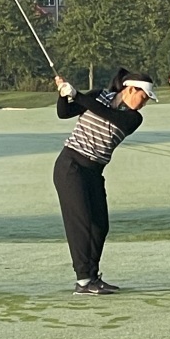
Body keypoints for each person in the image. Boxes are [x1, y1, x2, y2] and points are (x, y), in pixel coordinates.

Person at [52, 68, 157, 295]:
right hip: (70, 166)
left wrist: (78, 94)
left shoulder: (133, 118)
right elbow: (64, 112)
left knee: (100, 225)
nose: (144, 103)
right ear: (131, 89)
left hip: (93, 171)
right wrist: (63, 94)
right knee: (81, 224)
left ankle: (92, 276)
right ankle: (83, 281)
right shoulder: (99, 95)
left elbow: (109, 116)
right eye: (144, 97)